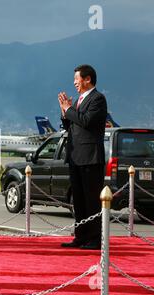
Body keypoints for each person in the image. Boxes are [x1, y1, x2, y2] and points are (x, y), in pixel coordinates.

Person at [58, 64, 107, 250]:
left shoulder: (98, 99)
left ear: (88, 79)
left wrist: (69, 109)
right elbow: (70, 126)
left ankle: (94, 239)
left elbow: (86, 121)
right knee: (78, 200)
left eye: (77, 79)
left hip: (90, 157)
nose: (74, 82)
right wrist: (65, 112)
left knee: (91, 199)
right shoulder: (79, 100)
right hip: (75, 156)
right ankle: (80, 236)